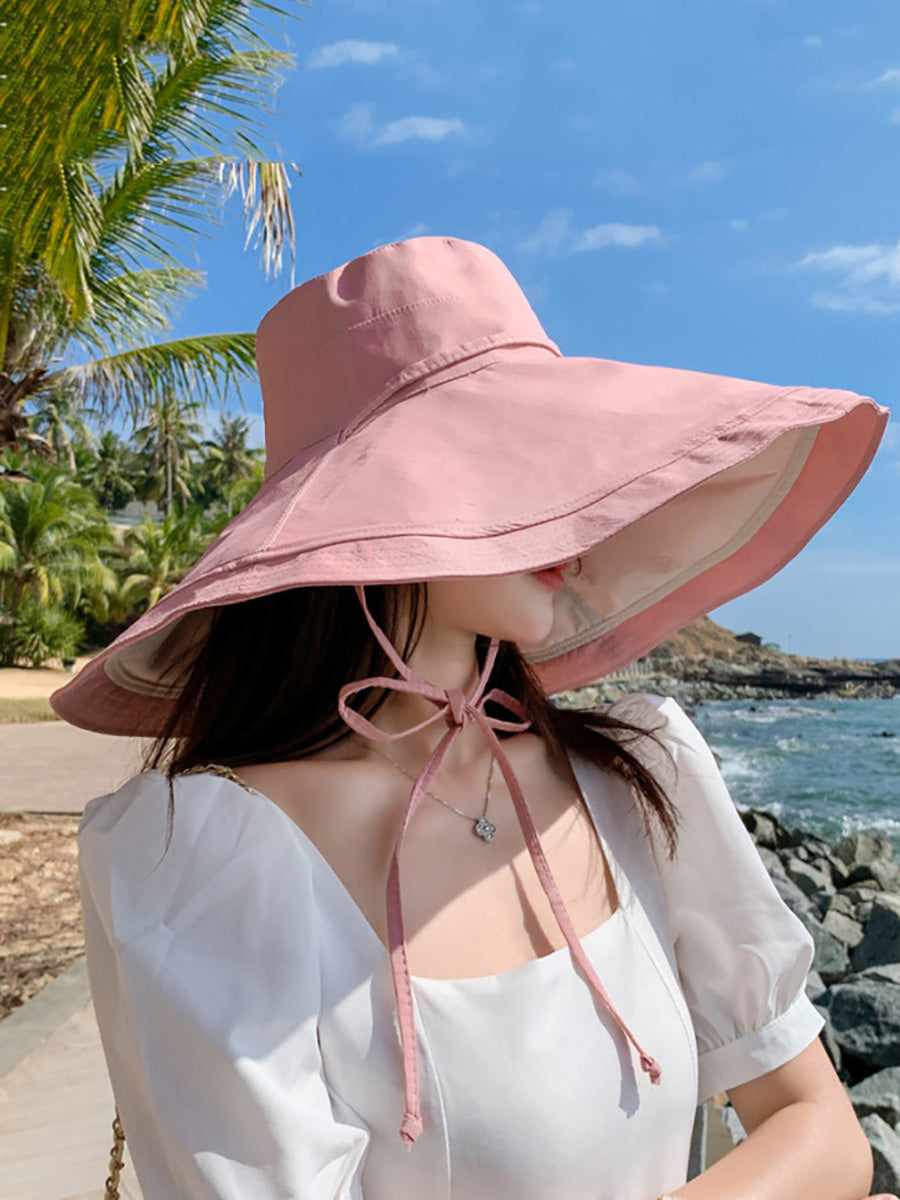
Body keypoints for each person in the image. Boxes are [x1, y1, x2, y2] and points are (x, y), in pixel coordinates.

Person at [53, 236, 894, 1200]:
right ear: (375, 508)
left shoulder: (641, 772)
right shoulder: (206, 851)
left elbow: (818, 1125)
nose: (571, 508)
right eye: (508, 455)